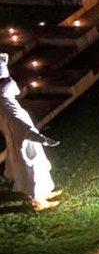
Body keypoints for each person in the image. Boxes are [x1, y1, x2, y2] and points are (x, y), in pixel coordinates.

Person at [0, 53, 59, 210]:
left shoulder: (7, 103)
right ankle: (38, 200)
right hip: (24, 142)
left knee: (38, 163)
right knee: (31, 167)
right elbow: (21, 128)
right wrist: (42, 139)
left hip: (25, 140)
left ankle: (44, 191)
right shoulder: (8, 107)